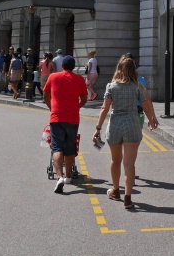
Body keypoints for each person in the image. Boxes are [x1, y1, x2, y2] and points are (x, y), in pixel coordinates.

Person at [94, 55, 159, 209]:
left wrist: (98, 128)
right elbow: (145, 105)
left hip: (115, 124)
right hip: (132, 124)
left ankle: (116, 191)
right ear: (132, 71)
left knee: (115, 160)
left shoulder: (111, 86)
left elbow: (104, 108)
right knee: (129, 164)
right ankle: (128, 198)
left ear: (120, 69)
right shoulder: (137, 86)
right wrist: (151, 119)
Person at [42, 55, 88, 194]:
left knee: (57, 148)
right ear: (74, 67)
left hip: (57, 117)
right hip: (73, 118)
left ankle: (60, 177)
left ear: (62, 66)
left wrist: (52, 108)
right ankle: (68, 176)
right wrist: (77, 107)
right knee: (70, 147)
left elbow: (45, 95)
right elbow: (84, 98)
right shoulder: (79, 79)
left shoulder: (53, 77)